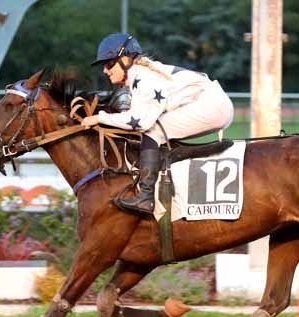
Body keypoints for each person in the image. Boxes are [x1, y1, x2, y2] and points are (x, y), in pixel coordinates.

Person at [82, 33, 234, 215]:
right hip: (213, 103)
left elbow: (140, 122)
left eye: (108, 64)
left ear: (125, 59)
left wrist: (100, 118)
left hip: (212, 105)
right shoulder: (140, 74)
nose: (105, 71)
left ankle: (145, 197)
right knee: (157, 130)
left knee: (152, 131)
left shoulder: (144, 78)